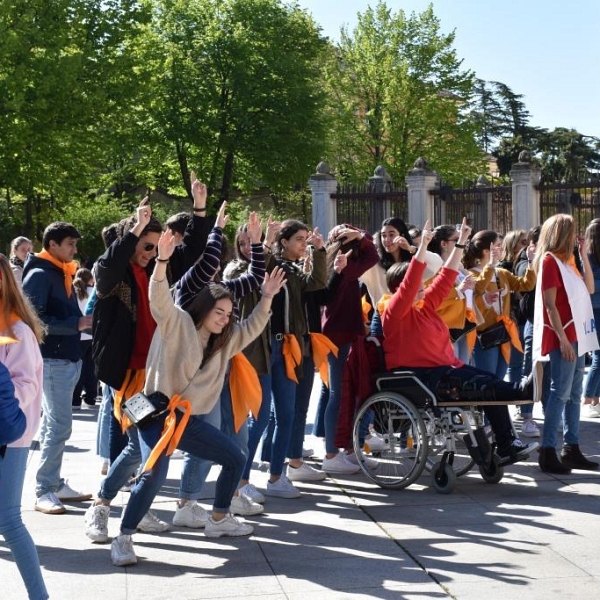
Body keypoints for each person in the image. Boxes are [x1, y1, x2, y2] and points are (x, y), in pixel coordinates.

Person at [109, 231, 287, 566]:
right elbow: (158, 298)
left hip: (187, 420)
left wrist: (266, 298)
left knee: (235, 456)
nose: (224, 319)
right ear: (204, 308)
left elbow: (251, 328)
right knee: (152, 473)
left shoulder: (225, 340)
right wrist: (161, 262)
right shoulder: (177, 323)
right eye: (219, 312)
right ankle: (123, 537)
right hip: (155, 415)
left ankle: (219, 519)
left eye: (228, 314)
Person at [381, 219, 537, 466]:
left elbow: (446, 276)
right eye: (417, 285)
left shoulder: (424, 305)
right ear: (401, 289)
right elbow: (412, 279)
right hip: (422, 375)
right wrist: (422, 246)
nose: (423, 286)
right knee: (485, 387)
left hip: (445, 368)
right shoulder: (394, 310)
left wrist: (462, 242)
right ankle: (523, 392)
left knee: (491, 382)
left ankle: (507, 445)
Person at [84, 200, 170, 541]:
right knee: (148, 448)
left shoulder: (154, 271)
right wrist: (135, 228)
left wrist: (200, 212)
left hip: (155, 376)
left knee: (138, 448)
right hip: (129, 377)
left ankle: (110, 504)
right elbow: (105, 267)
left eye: (155, 246)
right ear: (131, 240)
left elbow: (192, 263)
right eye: (146, 245)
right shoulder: (114, 273)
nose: (151, 252)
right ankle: (109, 509)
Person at [22, 222, 93, 514]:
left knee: (57, 425)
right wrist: (75, 324)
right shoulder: (40, 274)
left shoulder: (59, 270)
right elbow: (32, 322)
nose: (74, 250)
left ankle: (53, 482)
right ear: (52, 244)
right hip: (53, 360)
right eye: (70, 245)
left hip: (67, 358)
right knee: (58, 426)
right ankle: (44, 490)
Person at [533, 214, 599, 473]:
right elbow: (550, 304)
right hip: (565, 337)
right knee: (560, 393)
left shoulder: (568, 261)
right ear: (562, 234)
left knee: (573, 394)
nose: (576, 237)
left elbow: (590, 288)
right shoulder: (550, 262)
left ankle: (571, 447)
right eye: (573, 233)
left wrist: (583, 255)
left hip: (577, 335)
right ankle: (548, 450)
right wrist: (562, 340)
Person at [0, 254, 49, 599]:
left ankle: (39, 596)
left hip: (10, 437)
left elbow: (27, 385)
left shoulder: (16, 329)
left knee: (9, 521)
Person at [315, 224, 379, 474]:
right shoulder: (345, 264)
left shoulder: (338, 260)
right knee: (339, 395)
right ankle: (332, 454)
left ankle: (349, 450)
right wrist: (362, 236)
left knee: (346, 394)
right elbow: (373, 255)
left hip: (342, 332)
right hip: (339, 334)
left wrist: (359, 236)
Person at [463, 229, 535, 381]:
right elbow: (478, 289)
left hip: (503, 332)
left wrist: (531, 262)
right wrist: (490, 265)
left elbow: (526, 285)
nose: (502, 248)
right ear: (486, 250)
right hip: (484, 335)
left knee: (500, 379)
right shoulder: (470, 274)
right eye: (498, 245)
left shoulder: (501, 273)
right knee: (488, 380)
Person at [582, 219, 600, 418]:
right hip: (594, 310)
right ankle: (588, 399)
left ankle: (595, 399)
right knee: (598, 356)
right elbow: (591, 285)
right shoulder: (587, 256)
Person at [72, 268, 98, 408]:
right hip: (91, 335)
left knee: (78, 369)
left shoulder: (74, 293)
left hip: (78, 334)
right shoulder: (92, 292)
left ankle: (75, 400)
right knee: (90, 368)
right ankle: (91, 398)